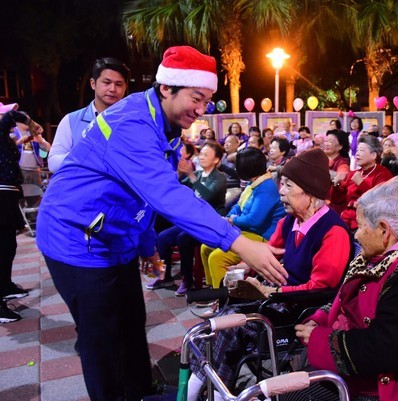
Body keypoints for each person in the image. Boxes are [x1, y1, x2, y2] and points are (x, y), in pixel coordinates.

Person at [35, 46, 286, 401]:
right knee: (101, 339)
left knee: (132, 322)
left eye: (207, 100)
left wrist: (147, 246)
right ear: (167, 88)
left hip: (113, 236)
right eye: (196, 98)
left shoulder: (162, 122)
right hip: (76, 239)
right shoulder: (131, 123)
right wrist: (239, 242)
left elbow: (140, 199)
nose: (202, 109)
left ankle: (141, 390)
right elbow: (166, 194)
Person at [187, 148, 353, 400]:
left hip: (301, 309)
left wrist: (273, 291)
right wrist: (244, 268)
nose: (281, 192)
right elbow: (269, 252)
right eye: (281, 184)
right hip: (277, 298)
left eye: (287, 185)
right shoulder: (290, 221)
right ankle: (202, 386)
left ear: (310, 193)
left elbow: (322, 287)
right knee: (219, 324)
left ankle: (212, 391)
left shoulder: (333, 232)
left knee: (232, 325)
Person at [295, 176, 398, 401]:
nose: (356, 234)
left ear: (384, 231)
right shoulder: (382, 257)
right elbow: (347, 301)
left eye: (362, 226)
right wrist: (322, 318)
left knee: (297, 395)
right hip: (371, 368)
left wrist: (320, 339)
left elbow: (382, 348)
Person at [147, 142, 228, 295]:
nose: (201, 157)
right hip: (192, 220)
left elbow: (207, 196)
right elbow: (177, 188)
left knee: (184, 238)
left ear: (216, 160)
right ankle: (162, 275)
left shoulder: (220, 177)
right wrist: (178, 173)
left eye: (206, 155)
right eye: (201, 154)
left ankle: (187, 279)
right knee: (162, 236)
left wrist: (190, 175)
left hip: (208, 222)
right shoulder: (197, 174)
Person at [201, 147, 286, 289]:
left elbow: (254, 220)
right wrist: (228, 217)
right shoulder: (254, 182)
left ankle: (224, 301)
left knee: (217, 258)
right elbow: (239, 206)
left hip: (261, 236)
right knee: (205, 247)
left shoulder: (266, 187)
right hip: (247, 231)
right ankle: (213, 289)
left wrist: (232, 220)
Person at [48, 57, 130, 172]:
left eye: (119, 84)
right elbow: (53, 164)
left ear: (125, 87)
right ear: (93, 83)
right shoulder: (71, 121)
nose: (112, 89)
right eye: (106, 83)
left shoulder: (133, 121)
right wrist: (85, 153)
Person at [0, 105, 44, 323]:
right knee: (2, 247)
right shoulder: (1, 128)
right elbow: (12, 116)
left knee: (9, 245)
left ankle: (6, 286)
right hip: (1, 195)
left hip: (8, 194)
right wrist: (32, 123)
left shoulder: (5, 138)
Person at [340, 135, 393, 231]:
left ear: (373, 155)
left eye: (361, 150)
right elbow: (339, 199)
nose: (357, 154)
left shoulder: (383, 174)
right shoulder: (354, 173)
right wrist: (336, 185)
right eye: (357, 151)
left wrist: (361, 183)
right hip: (346, 222)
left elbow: (380, 202)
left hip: (367, 226)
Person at [13, 120, 51, 187]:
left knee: (36, 194)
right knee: (21, 194)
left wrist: (41, 142)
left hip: (35, 171)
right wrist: (19, 141)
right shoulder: (13, 133)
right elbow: (5, 148)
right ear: (18, 122)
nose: (28, 123)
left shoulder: (34, 133)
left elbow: (44, 154)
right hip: (19, 170)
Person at [323, 129, 351, 215]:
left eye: (330, 142)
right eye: (326, 141)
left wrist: (338, 178)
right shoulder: (322, 158)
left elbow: (343, 174)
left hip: (333, 209)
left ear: (340, 147)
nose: (326, 144)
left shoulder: (342, 163)